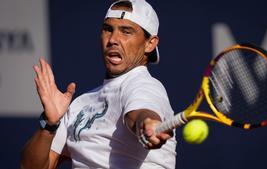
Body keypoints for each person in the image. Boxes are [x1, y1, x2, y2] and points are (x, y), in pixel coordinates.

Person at [21, 0, 177, 168]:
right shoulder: (80, 104)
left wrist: (146, 123)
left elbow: (140, 114)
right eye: (108, 29)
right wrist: (49, 124)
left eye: (126, 31)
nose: (113, 39)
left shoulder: (144, 85)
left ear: (150, 43)